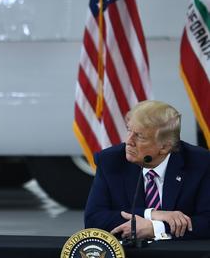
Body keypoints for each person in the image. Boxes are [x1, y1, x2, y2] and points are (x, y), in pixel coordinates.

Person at [84, 100, 210, 240]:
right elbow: (93, 221)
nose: (129, 141)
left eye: (140, 136)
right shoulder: (111, 161)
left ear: (164, 147)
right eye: (129, 130)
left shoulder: (201, 163)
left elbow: (206, 221)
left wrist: (157, 228)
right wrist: (151, 214)